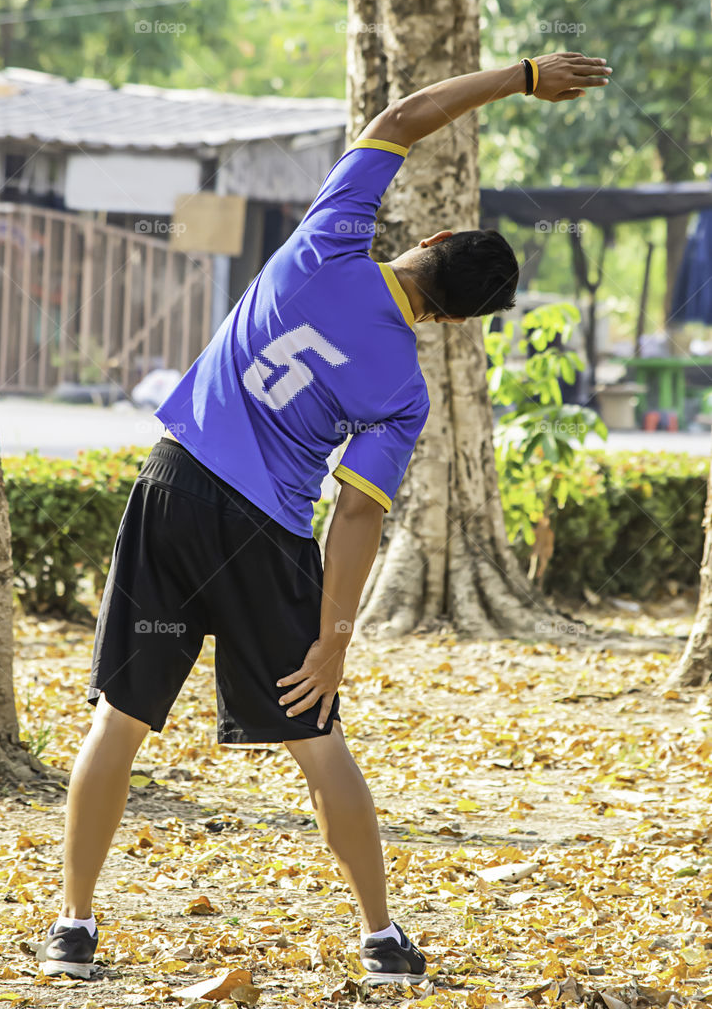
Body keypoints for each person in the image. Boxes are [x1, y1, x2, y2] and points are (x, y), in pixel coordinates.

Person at [36, 52, 611, 986]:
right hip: (265, 536)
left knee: (120, 719)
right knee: (317, 739)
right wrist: (333, 640)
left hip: (173, 486)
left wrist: (521, 75)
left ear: (433, 236)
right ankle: (381, 941)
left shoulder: (328, 238)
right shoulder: (403, 391)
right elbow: (354, 517)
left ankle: (72, 928)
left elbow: (402, 117)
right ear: (452, 322)